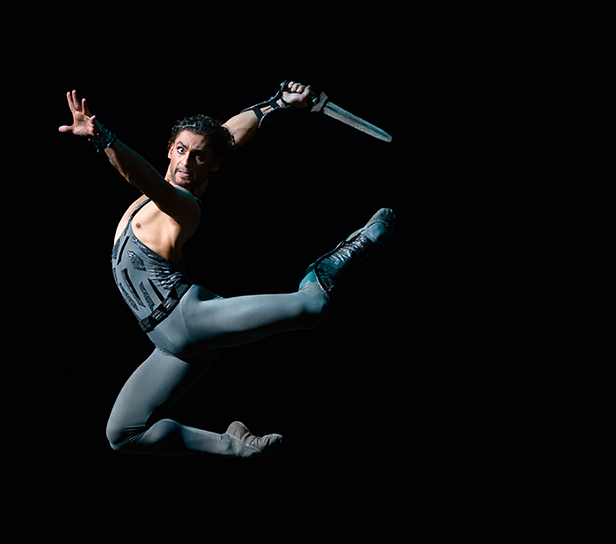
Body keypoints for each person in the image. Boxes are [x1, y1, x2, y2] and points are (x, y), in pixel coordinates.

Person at [58, 81, 395, 457]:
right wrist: (277, 103)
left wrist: (100, 136)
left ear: (212, 164)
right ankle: (232, 444)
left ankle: (337, 258)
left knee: (312, 308)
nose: (186, 162)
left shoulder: (183, 206)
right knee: (122, 434)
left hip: (191, 320)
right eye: (181, 150)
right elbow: (228, 135)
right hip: (168, 347)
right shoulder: (177, 176)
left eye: (198, 157)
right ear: (170, 150)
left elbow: (145, 178)